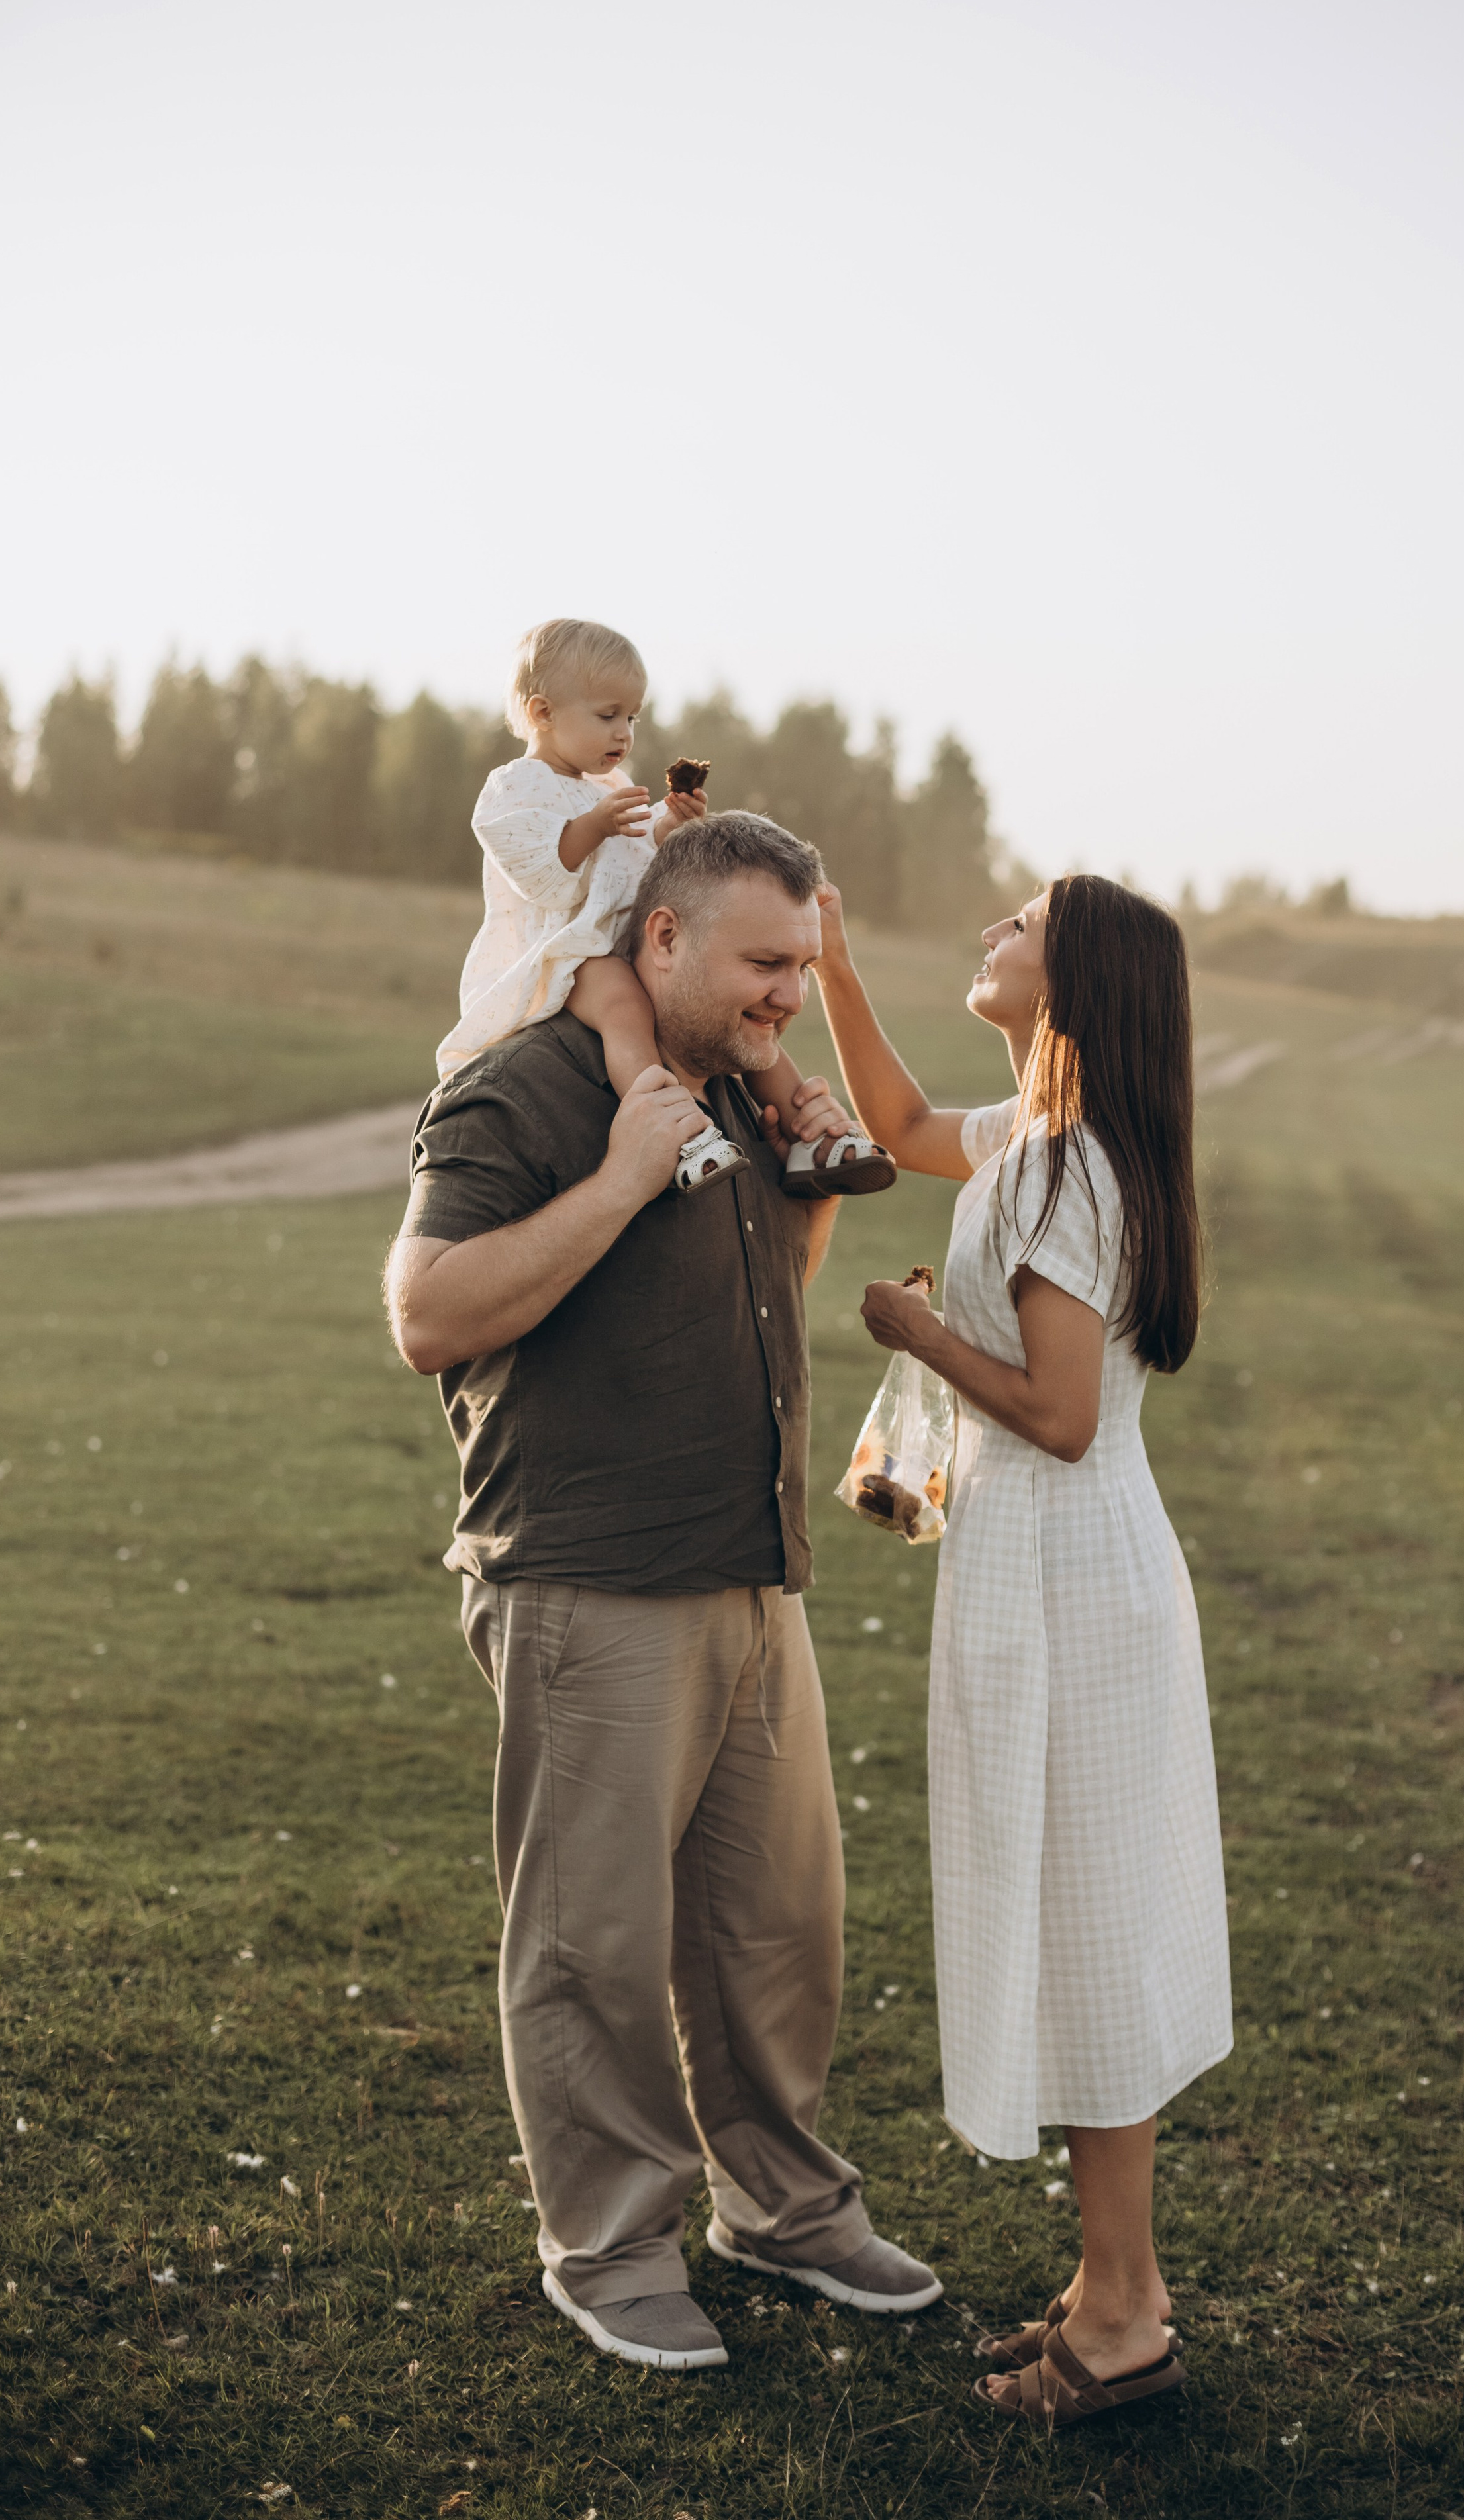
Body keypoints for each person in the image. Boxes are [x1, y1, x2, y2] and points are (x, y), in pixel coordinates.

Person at [385, 811, 942, 2374]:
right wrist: (627, 1175)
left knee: (777, 1929)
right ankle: (610, 2244)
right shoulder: (533, 1085)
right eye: (767, 963)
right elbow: (425, 1312)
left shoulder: (739, 1092)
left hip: (753, 1569)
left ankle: (779, 2205)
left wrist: (816, 1170)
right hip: (587, 1574)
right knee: (592, 1942)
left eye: (803, 964)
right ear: (663, 938)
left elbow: (768, 1283)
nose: (787, 991)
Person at [813, 873, 1232, 2431]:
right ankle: (1099, 2277)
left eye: (1018, 917)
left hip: (1067, 1573)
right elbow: (909, 1119)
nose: (988, 923)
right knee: (1072, 1915)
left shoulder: (1067, 1176)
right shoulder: (1035, 1146)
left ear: (1078, 978)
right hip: (1050, 1570)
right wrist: (838, 966)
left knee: (1083, 1920)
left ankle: (1123, 2316)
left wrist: (914, 1331)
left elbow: (1055, 1415)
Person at [436, 616, 892, 1199]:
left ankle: (811, 1133)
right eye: (608, 716)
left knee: (746, 1025)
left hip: (617, 938)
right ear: (542, 713)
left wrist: (668, 825)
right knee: (626, 1008)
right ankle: (673, 1131)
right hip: (565, 950)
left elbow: (630, 859)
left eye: (632, 717)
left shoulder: (606, 787)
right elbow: (542, 878)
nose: (624, 733)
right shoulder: (515, 788)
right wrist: (592, 826)